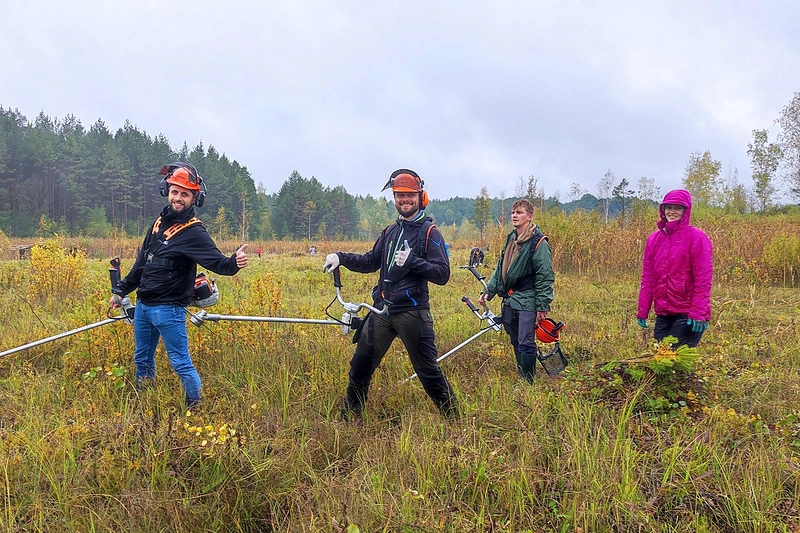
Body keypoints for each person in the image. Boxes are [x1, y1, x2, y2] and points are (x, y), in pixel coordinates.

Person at [110, 162, 248, 409]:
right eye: (175, 191)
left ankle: (194, 409)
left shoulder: (194, 232)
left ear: (195, 198)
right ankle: (145, 402)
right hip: (143, 305)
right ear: (167, 191)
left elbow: (220, 264)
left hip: (169, 309)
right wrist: (121, 290)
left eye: (185, 194)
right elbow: (142, 262)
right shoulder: (158, 223)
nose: (178, 198)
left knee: (181, 362)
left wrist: (234, 262)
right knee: (142, 358)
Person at [323, 168, 458, 419]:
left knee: (427, 371)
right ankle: (350, 418)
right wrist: (339, 257)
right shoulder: (389, 232)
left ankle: (455, 419)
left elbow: (442, 275)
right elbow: (369, 262)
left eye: (409, 195)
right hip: (381, 311)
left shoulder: (431, 233)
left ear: (421, 197)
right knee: (360, 367)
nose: (404, 200)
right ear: (394, 199)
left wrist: (413, 262)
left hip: (413, 313)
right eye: (399, 195)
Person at [479, 199, 554, 383]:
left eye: (519, 212)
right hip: (511, 299)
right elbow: (500, 268)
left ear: (529, 217)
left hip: (528, 300)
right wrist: (490, 290)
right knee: (514, 340)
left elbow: (545, 275)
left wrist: (542, 306)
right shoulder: (511, 238)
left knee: (525, 341)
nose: (514, 215)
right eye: (513, 212)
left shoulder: (538, 242)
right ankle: (522, 374)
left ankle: (528, 382)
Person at [637, 189, 712, 347]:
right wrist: (643, 310)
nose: (672, 212)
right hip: (664, 311)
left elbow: (703, 279)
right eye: (668, 207)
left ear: (686, 211)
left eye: (678, 208)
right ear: (662, 210)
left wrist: (698, 312)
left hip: (688, 312)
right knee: (659, 356)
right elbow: (648, 278)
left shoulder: (697, 237)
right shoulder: (654, 239)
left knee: (674, 359)